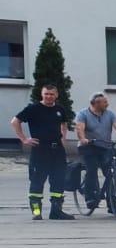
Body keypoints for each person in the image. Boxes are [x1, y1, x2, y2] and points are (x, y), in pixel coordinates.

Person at [13, 84, 72, 220]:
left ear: (56, 95)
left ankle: (56, 211)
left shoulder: (60, 109)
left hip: (57, 150)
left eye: (51, 94)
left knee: (58, 180)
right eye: (46, 94)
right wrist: (24, 139)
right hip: (40, 150)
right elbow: (15, 121)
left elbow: (64, 124)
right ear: (42, 94)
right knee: (37, 180)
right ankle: (36, 212)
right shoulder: (33, 109)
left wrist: (63, 138)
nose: (49, 96)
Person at [75, 93, 116, 216]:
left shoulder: (110, 114)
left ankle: (113, 205)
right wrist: (83, 139)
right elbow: (80, 128)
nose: (107, 104)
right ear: (95, 104)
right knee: (92, 169)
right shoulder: (83, 114)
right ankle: (89, 197)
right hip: (88, 146)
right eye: (104, 102)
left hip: (105, 146)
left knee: (111, 174)